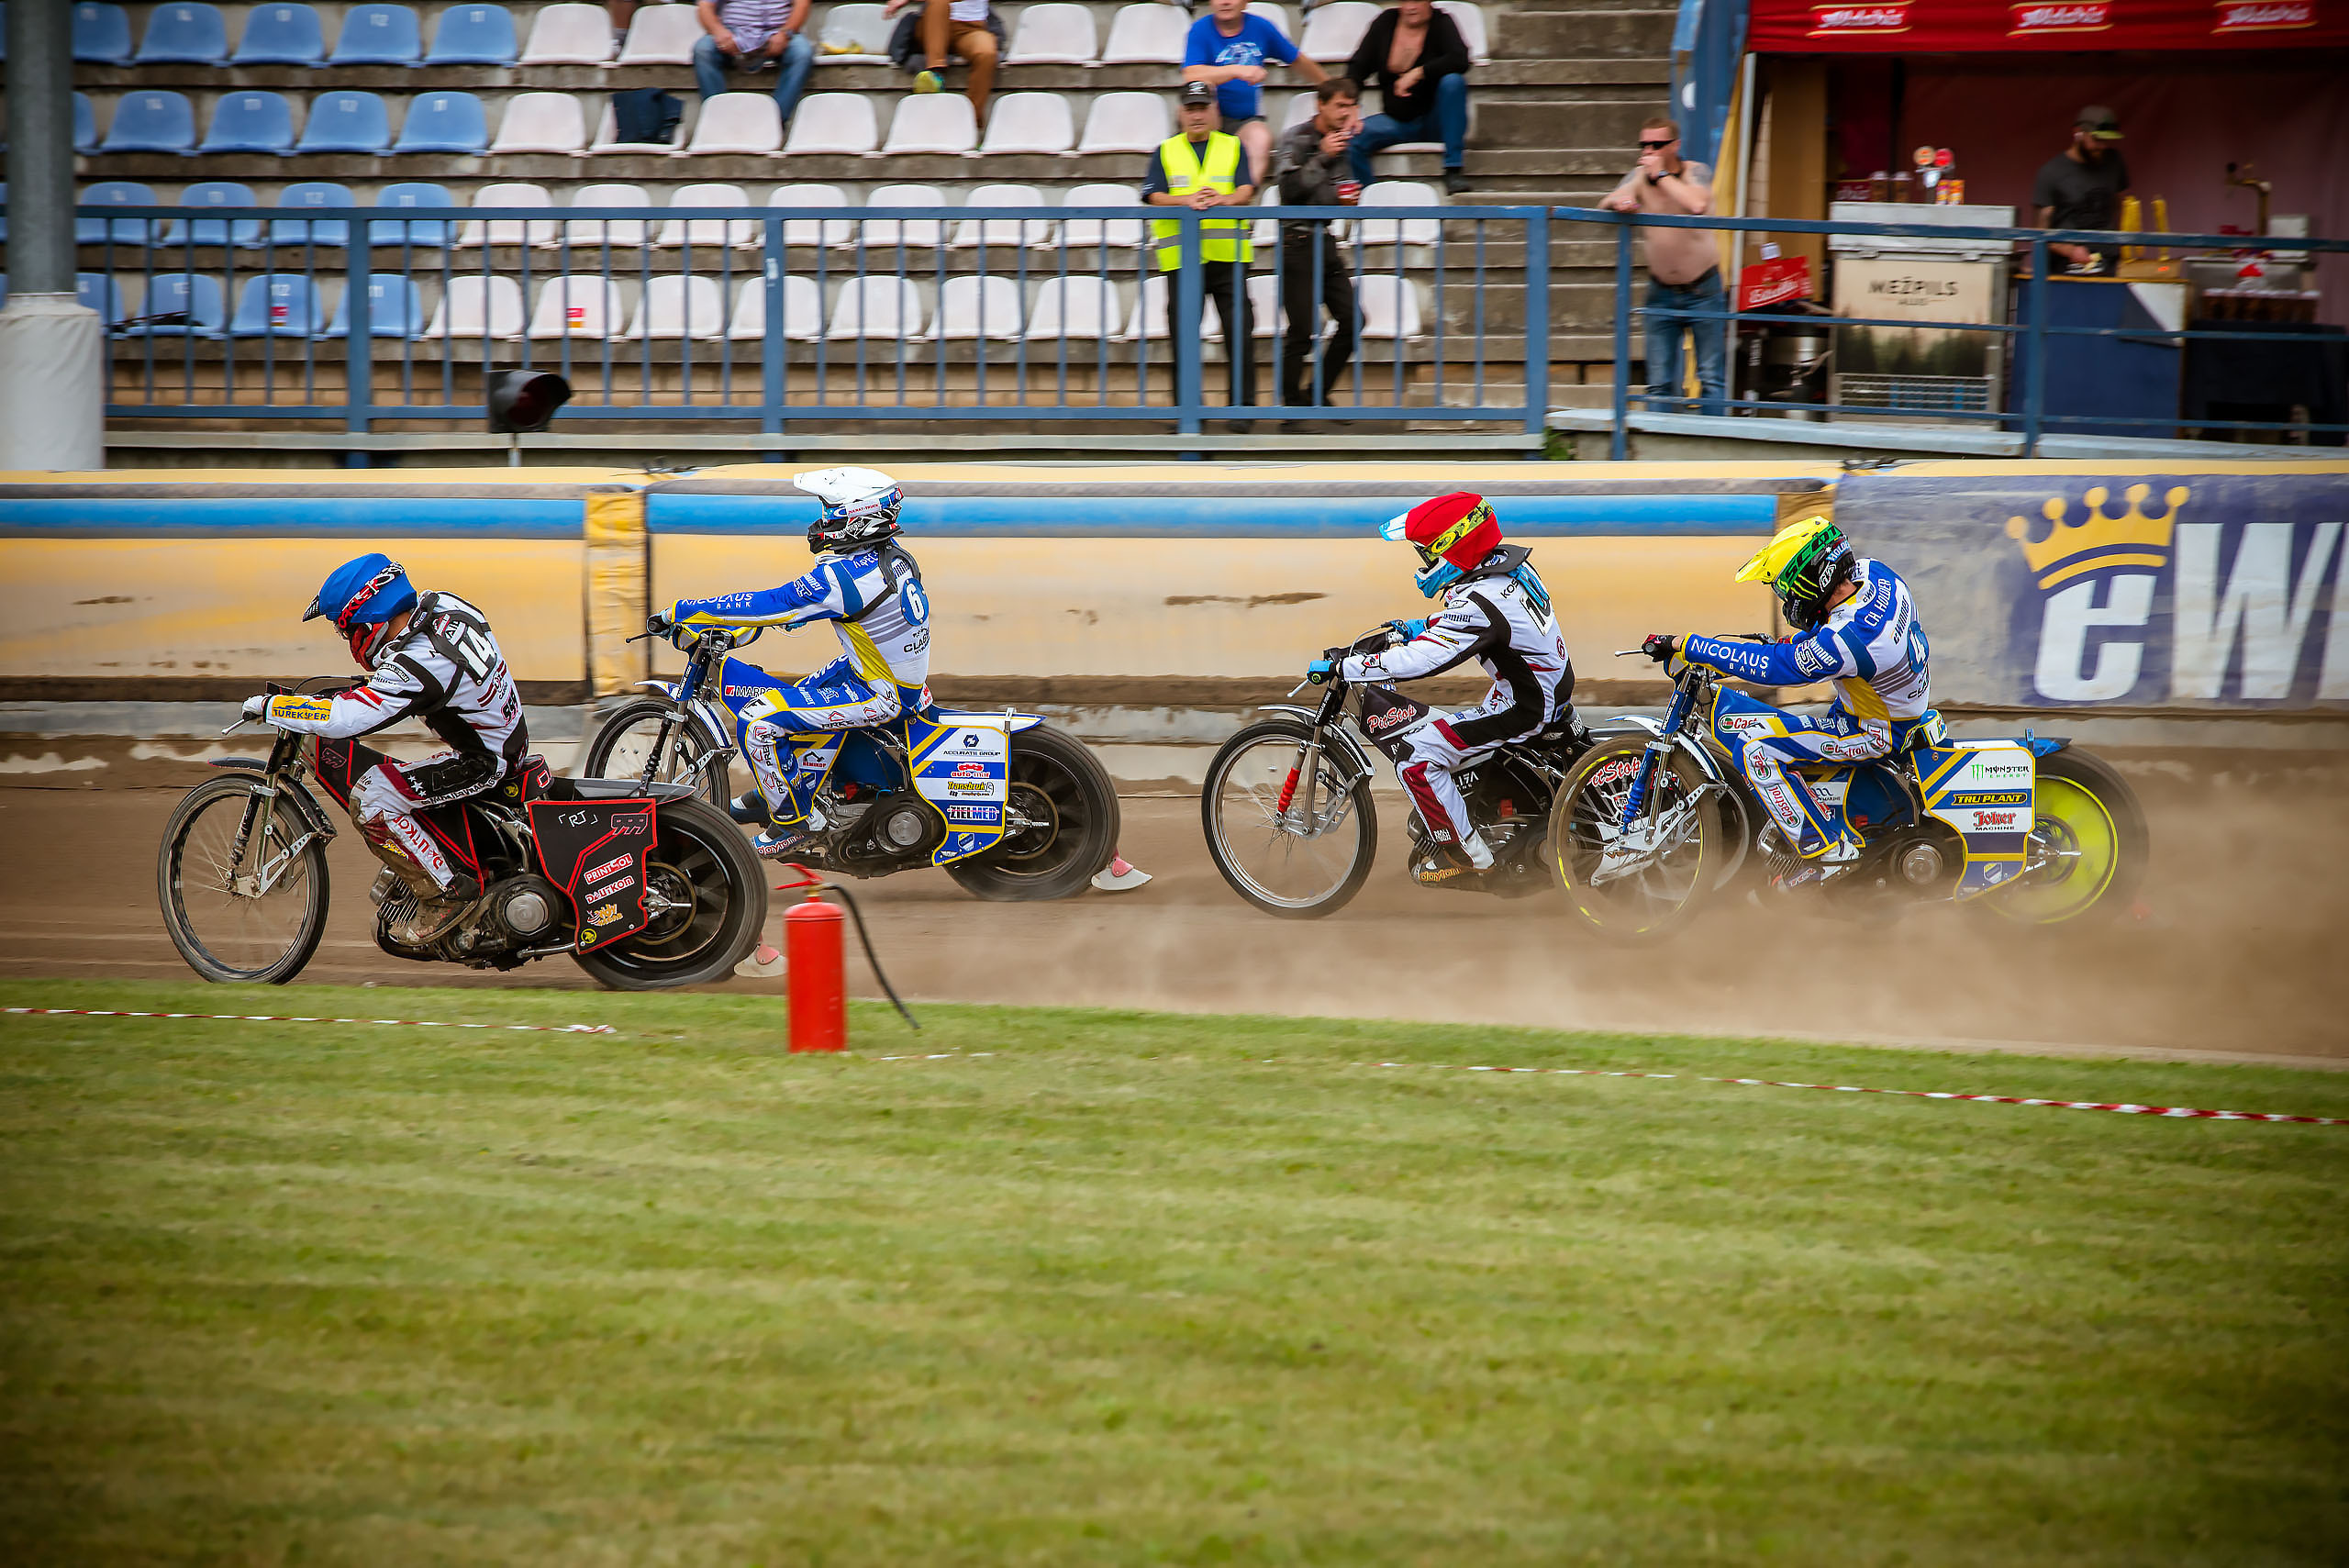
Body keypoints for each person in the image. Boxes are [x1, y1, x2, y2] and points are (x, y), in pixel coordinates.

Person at [239, 556, 529, 944]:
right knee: (394, 780)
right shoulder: (442, 604)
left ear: (367, 624)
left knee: (373, 795)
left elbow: (346, 719)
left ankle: (446, 892)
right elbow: (400, 684)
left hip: (483, 761)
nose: (348, 641)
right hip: (505, 735)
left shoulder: (416, 663)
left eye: (346, 632)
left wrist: (273, 707)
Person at [1640, 513, 1933, 890]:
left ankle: (1824, 851)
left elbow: (1779, 669)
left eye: (1787, 588)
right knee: (1785, 726)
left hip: (1875, 731)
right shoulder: (1877, 574)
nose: (1786, 599)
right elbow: (1823, 636)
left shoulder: (1849, 638)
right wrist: (1789, 644)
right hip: (1885, 707)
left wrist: (1689, 645)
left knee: (1756, 751)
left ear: (1815, 580)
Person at [656, 468, 932, 861]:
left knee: (758, 721)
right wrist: (765, 623)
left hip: (881, 693)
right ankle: (786, 787)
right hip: (881, 673)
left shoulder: (843, 577)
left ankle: (793, 823)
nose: (823, 520)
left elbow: (774, 603)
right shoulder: (890, 558)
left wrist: (686, 610)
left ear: (858, 517)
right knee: (794, 697)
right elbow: (800, 612)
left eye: (831, 511)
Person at [1307, 493, 1574, 884]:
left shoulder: (1478, 599)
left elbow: (1425, 661)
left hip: (1525, 706)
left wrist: (1349, 666)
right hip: (1542, 689)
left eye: (1427, 554)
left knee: (1415, 757)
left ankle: (1468, 856)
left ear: (1452, 548)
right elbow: (1481, 622)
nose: (1424, 564)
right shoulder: (1508, 569)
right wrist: (1418, 627)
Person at [1143, 82, 1259, 427]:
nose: (1196, 114)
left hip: (1228, 256)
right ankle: (1188, 414)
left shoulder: (1233, 145)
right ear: (1181, 113)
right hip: (1183, 260)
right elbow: (1153, 195)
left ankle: (1241, 411)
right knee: (1183, 338)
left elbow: (1246, 188)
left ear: (1214, 111)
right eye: (1190, 108)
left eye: (1202, 107)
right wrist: (1187, 201)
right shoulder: (1165, 150)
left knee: (1239, 333)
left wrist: (1224, 200)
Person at [1602, 116, 1723, 417]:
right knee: (1659, 383)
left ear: (1676, 145)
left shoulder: (1696, 172)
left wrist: (1662, 177)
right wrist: (1621, 202)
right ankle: (1660, 453)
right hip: (1661, 292)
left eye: (1658, 144)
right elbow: (1607, 200)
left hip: (1704, 290)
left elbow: (1697, 205)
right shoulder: (1640, 176)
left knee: (1711, 378)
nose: (1649, 151)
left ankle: (1713, 449)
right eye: (1644, 145)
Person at [1273, 76, 1363, 424]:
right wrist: (1322, 157)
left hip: (1324, 239)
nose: (1346, 112)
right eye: (1340, 105)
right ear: (1320, 105)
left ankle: (1315, 393)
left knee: (1353, 320)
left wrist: (1349, 197)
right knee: (1302, 328)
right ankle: (1292, 408)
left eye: (1351, 106)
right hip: (1296, 241)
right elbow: (1289, 191)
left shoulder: (1345, 143)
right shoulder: (1297, 138)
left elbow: (1339, 193)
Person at [1183, 0, 1325, 197]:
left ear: (1246, 2)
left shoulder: (1261, 27)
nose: (1225, 2)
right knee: (1205, 87)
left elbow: (1297, 60)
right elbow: (1191, 74)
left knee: (1261, 138)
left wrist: (1330, 87)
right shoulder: (1200, 29)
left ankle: (1243, 204)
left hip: (1245, 120)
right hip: (1205, 118)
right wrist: (1236, 71)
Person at [1343, 0, 1473, 195]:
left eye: (1417, 0)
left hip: (1434, 121)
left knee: (1453, 82)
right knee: (1350, 140)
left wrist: (1418, 72)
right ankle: (1370, 202)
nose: (1411, 6)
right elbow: (1357, 68)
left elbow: (1460, 59)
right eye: (1405, 0)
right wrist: (1351, 107)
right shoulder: (1385, 22)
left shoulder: (1442, 22)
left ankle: (1453, 169)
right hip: (1396, 121)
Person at [2032, 105, 2130, 275]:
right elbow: (2040, 233)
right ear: (2077, 133)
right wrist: (2070, 250)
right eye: (2096, 139)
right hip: (2067, 267)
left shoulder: (2115, 161)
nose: (2102, 146)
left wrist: (2118, 241)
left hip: (2109, 261)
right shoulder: (2051, 172)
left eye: (2106, 141)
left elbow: (2119, 203)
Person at [693, 0, 816, 128]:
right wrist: (718, 32)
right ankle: (720, 121)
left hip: (780, 30)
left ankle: (773, 123)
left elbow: (802, 4)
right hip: (733, 31)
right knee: (703, 50)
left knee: (802, 53)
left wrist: (785, 34)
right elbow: (705, 6)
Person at [883, 0, 997, 125]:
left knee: (987, 53)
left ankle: (971, 123)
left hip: (970, 29)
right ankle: (935, 73)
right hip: (933, 25)